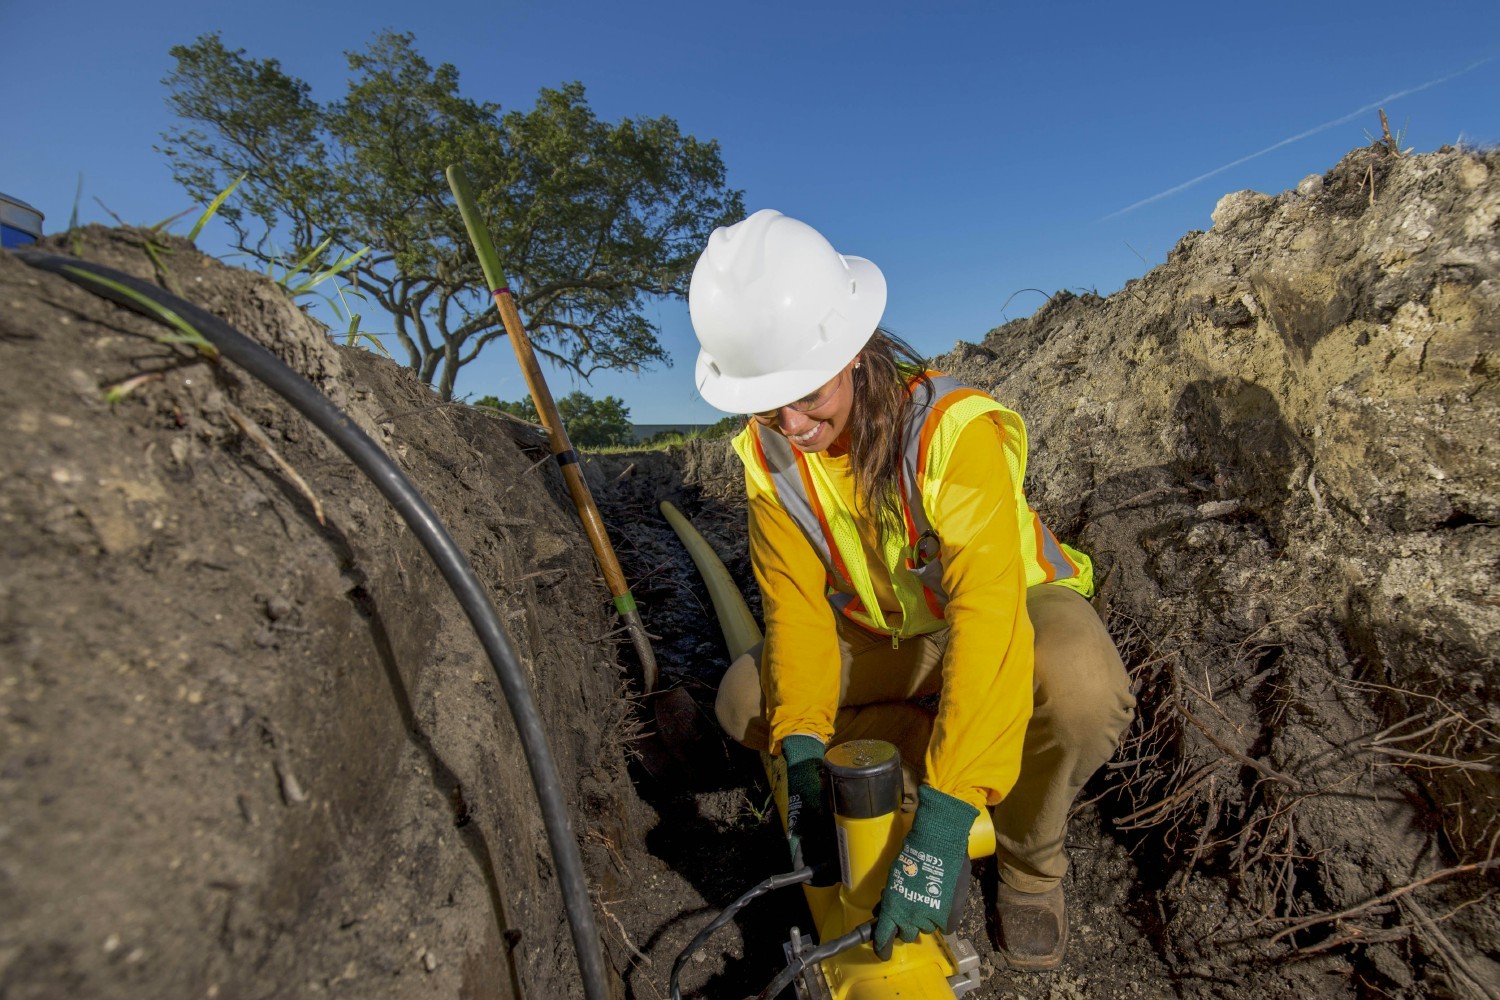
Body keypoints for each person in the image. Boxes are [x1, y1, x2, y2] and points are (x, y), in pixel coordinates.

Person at [687, 209, 1136, 969]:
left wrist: (940, 830)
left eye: (809, 393)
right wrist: (800, 757)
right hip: (895, 634)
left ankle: (1030, 861)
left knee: (1083, 686)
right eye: (769, 402)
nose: (791, 423)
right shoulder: (766, 460)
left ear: (856, 353)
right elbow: (793, 612)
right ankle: (932, 760)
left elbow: (988, 617)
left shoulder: (951, 433)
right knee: (747, 702)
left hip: (1011, 610)